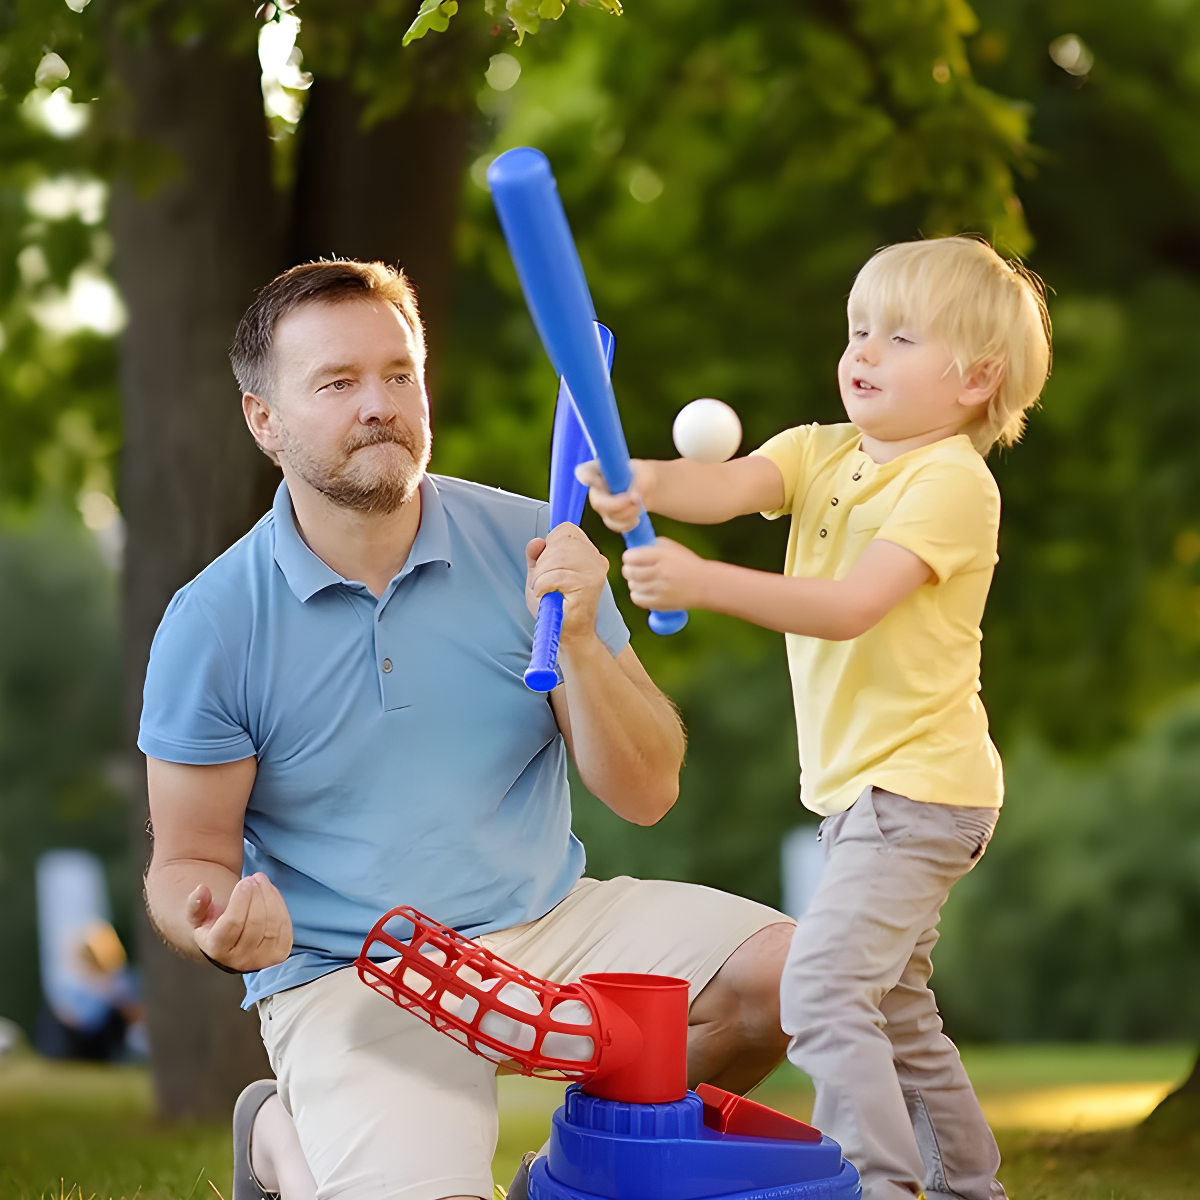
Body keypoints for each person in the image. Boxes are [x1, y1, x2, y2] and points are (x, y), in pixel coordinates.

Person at [138, 259, 796, 1200]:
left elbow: (648, 793)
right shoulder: (213, 622)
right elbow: (187, 861)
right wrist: (212, 925)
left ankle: (586, 1173)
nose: (379, 404)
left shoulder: (535, 542)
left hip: (551, 924)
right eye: (337, 382)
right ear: (264, 421)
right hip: (357, 972)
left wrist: (577, 642)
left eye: (398, 373)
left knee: (799, 976)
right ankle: (283, 1138)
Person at [581, 236, 1052, 1200]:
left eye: (900, 336)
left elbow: (848, 606)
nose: (863, 353)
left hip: (918, 791)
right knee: (899, 1011)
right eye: (858, 330)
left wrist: (702, 582)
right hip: (863, 798)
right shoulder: (820, 451)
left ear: (977, 379)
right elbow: (725, 483)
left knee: (824, 991)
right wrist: (640, 480)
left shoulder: (951, 484)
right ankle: (968, 1185)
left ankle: (875, 1185)